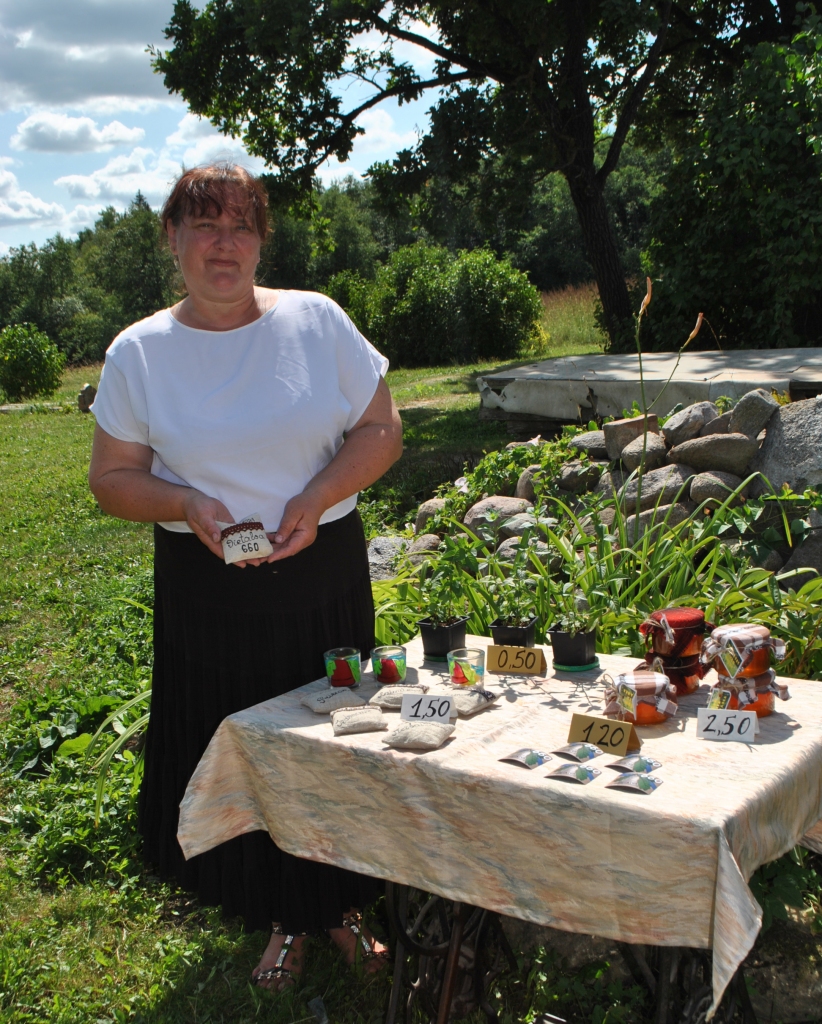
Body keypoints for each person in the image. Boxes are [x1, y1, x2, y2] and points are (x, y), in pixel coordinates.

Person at [88, 162, 403, 989]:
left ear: (262, 240)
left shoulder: (317, 322)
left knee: (332, 741)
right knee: (238, 751)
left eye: (241, 226)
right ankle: (281, 917)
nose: (223, 244)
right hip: (208, 588)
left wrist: (319, 493)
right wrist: (187, 503)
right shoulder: (140, 352)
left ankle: (335, 905)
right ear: (173, 239)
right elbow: (112, 479)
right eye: (204, 225)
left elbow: (381, 431)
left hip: (321, 573)